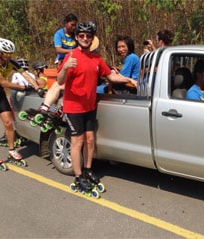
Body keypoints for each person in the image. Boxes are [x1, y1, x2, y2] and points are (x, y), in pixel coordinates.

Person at [55, 21, 137, 192]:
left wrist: (130, 80)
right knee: (77, 142)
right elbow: (60, 81)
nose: (85, 38)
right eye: (82, 36)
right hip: (74, 107)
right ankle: (78, 177)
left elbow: (111, 77)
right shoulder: (72, 56)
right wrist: (65, 68)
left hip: (90, 106)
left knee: (90, 141)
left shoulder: (96, 58)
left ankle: (87, 170)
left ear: (92, 39)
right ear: (77, 37)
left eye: (88, 36)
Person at [0, 38, 34, 166]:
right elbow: (4, 82)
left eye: (11, 54)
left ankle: (12, 150)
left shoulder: (11, 62)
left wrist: (36, 87)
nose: (9, 56)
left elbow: (25, 74)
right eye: (6, 54)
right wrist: (23, 87)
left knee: (9, 123)